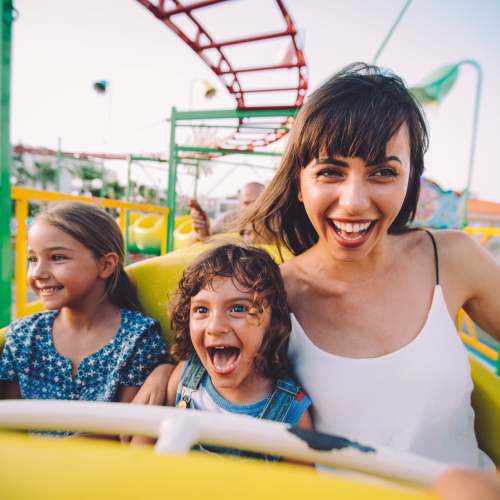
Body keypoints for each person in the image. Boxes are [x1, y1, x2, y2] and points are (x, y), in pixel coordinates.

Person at [133, 63, 500, 470]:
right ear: (299, 183)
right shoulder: (271, 295)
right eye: (330, 172)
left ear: (410, 178)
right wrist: (165, 371)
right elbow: (217, 352)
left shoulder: (451, 259)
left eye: (382, 172)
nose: (354, 201)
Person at [0, 202, 169, 431]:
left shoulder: (139, 338)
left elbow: (126, 432)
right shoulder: (23, 336)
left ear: (106, 265)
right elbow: (10, 422)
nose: (38, 273)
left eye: (57, 257)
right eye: (32, 259)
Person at [146, 244, 312, 458]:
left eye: (238, 308)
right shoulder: (185, 377)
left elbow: (300, 487)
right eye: (201, 310)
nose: (215, 327)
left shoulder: (290, 410)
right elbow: (145, 442)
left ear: (273, 322)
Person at [189, 181, 265, 242]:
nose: (251, 208)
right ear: (240, 203)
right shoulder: (230, 219)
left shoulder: (273, 223)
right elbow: (193, 241)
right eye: (246, 203)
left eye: (256, 203)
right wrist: (203, 232)